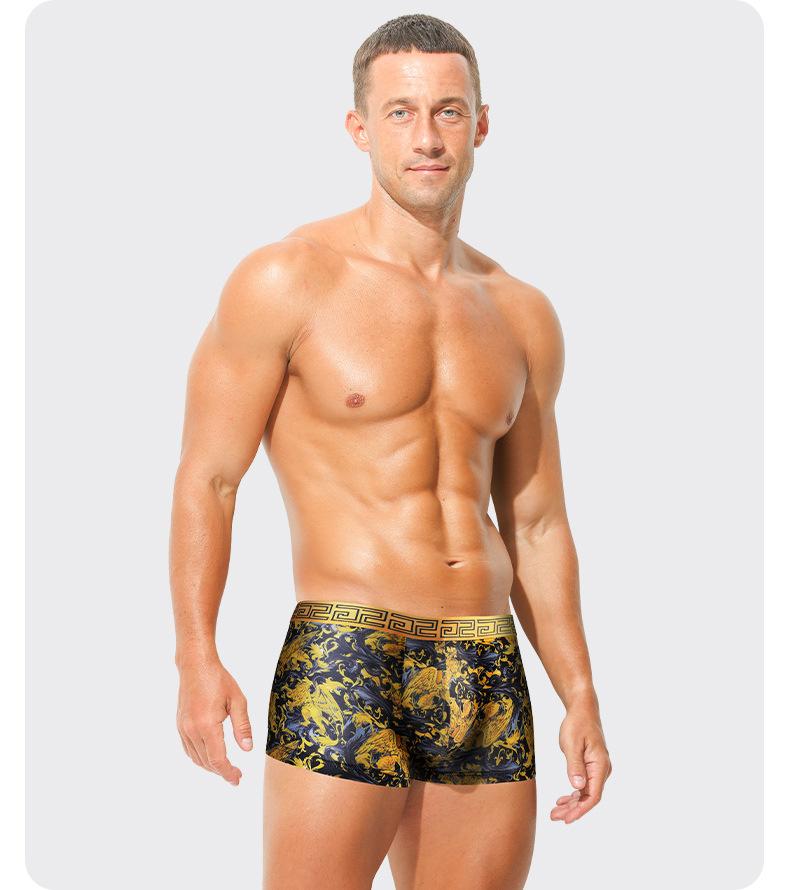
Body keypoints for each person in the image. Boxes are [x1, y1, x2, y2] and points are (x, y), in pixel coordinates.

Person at [170, 12, 612, 890]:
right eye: (401, 112)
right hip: (347, 649)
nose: (427, 138)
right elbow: (209, 479)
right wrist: (196, 656)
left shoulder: (521, 313)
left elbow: (537, 523)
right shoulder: (288, 278)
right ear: (359, 127)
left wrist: (580, 691)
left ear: (481, 124)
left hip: (484, 662)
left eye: (449, 111)